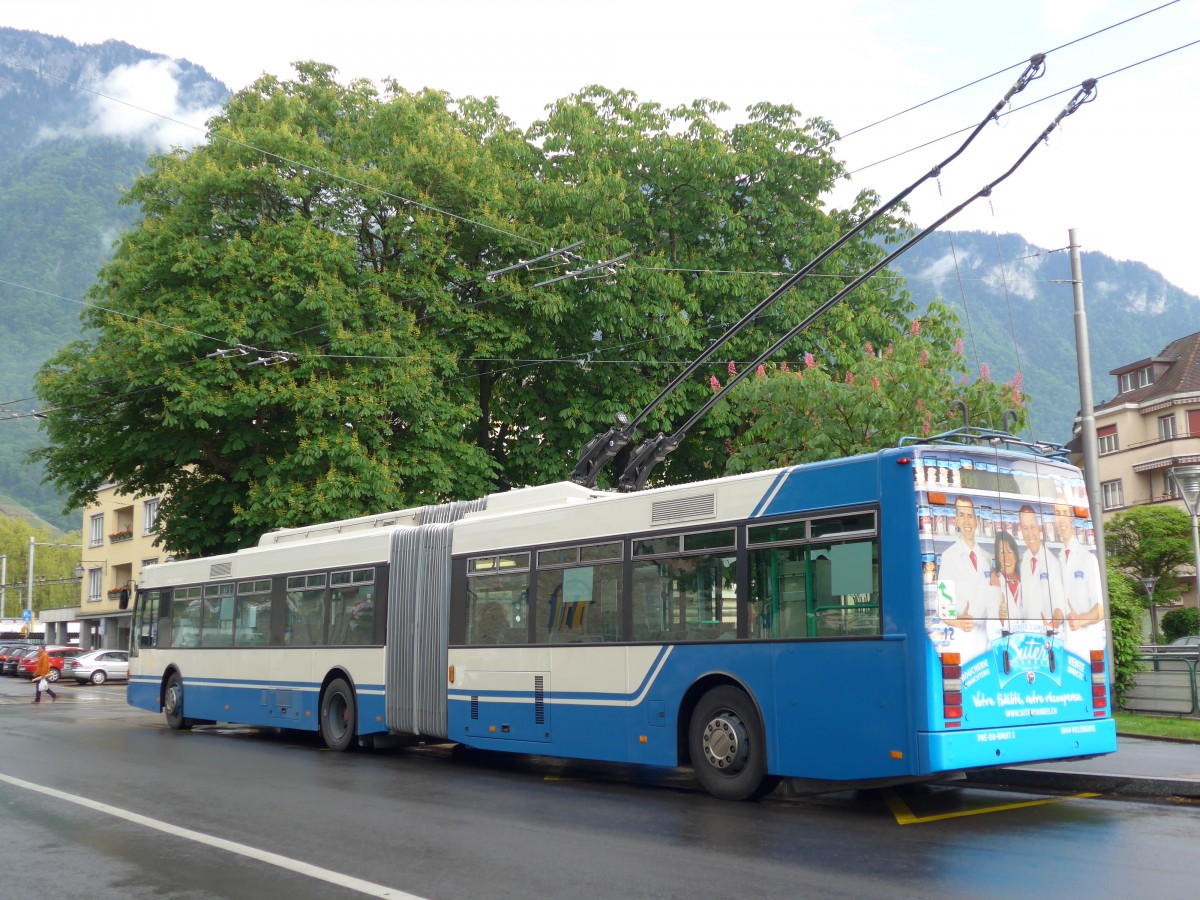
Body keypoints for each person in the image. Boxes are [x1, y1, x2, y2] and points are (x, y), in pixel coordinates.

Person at [935, 496, 995, 658]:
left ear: (976, 522)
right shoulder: (949, 557)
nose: (967, 522)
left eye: (970, 516)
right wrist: (958, 622)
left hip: (987, 641)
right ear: (957, 522)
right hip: (964, 640)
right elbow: (943, 607)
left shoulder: (987, 558)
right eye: (962, 516)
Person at [1054, 499, 1105, 656]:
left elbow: (1101, 610)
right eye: (1057, 514)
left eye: (1065, 513)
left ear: (1071, 518)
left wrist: (1080, 620)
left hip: (1087, 647)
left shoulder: (1088, 558)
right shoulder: (1058, 559)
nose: (1062, 519)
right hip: (1065, 647)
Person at [1017, 504, 1066, 629]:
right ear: (1021, 530)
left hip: (1047, 634)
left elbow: (1059, 603)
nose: (1030, 533)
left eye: (1032, 527)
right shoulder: (1022, 561)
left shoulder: (1052, 563)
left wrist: (1053, 625)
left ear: (1039, 528)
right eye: (1025, 528)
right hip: (1025, 635)